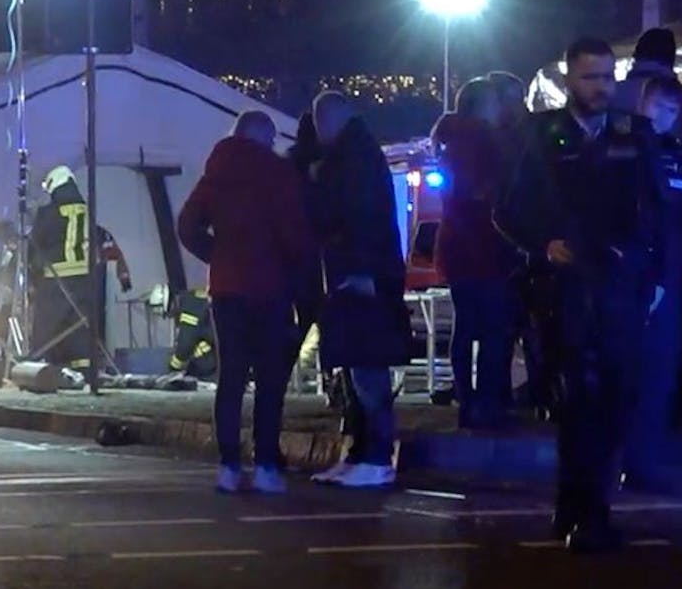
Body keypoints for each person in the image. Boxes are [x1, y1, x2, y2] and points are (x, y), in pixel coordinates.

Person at [495, 37, 664, 553]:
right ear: (571, 78)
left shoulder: (634, 133)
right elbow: (507, 209)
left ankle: (587, 507)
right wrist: (543, 245)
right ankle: (580, 510)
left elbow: (655, 208)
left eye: (608, 77)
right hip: (565, 286)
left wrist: (653, 273)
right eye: (592, 77)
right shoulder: (542, 134)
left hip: (619, 282)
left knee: (613, 397)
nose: (602, 87)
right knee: (577, 400)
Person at [177, 110, 314, 494]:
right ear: (265, 137)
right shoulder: (278, 174)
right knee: (270, 380)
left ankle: (229, 465)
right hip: (270, 287)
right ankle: (267, 464)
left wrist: (216, 255)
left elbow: (187, 225)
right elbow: (294, 234)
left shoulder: (217, 172)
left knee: (231, 377)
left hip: (227, 288)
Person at [305, 93, 409, 489]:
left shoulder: (352, 159)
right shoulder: (357, 154)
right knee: (358, 370)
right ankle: (362, 454)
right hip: (358, 272)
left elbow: (360, 213)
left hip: (358, 275)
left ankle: (376, 455)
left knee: (366, 369)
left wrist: (363, 268)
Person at [624, 76, 682, 491]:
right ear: (645, 105)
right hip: (631, 282)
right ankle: (621, 460)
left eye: (673, 111)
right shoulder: (622, 150)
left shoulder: (679, 160)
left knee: (661, 374)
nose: (665, 117)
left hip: (671, 285)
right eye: (660, 107)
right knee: (625, 374)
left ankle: (644, 463)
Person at [432, 77, 520, 429]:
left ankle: (467, 401)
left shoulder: (448, 138)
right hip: (486, 244)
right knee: (493, 329)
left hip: (456, 246)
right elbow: (489, 191)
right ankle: (486, 403)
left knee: (466, 326)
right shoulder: (483, 139)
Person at [27, 165, 133, 376]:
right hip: (85, 283)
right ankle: (85, 373)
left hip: (56, 283)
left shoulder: (48, 213)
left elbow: (35, 246)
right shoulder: (88, 212)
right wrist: (124, 276)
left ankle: (37, 372)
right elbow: (103, 241)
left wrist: (33, 277)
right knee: (80, 333)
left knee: (45, 332)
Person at [616, 28, 682, 238]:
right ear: (671, 59)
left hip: (613, 218)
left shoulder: (612, 95)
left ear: (636, 56)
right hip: (667, 220)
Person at [166, 287, 219, 381]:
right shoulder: (209, 301)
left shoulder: (192, 304)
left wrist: (173, 366)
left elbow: (185, 344)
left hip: (209, 373)